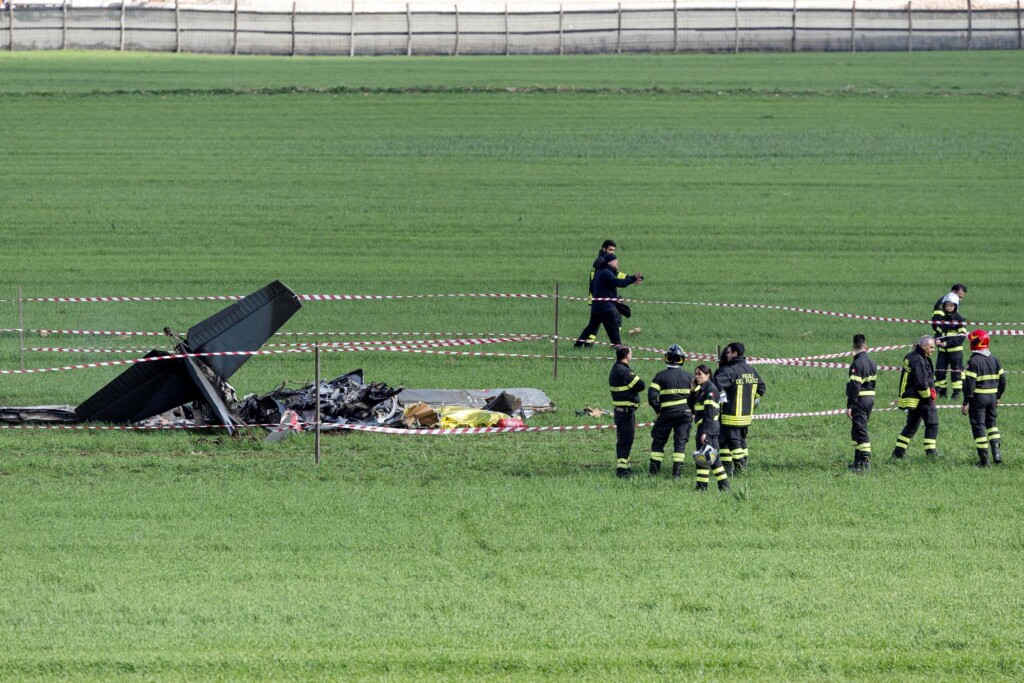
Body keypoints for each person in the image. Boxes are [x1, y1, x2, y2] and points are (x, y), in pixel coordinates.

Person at [713, 342, 765, 475]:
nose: (726, 355)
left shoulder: (730, 371)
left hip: (731, 415)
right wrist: (750, 399)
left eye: (728, 353)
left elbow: (716, 383)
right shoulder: (751, 370)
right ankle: (733, 467)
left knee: (733, 443)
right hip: (746, 415)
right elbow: (761, 388)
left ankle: (739, 470)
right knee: (736, 442)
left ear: (735, 353)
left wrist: (722, 393)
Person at [574, 253, 643, 349]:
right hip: (605, 307)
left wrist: (632, 279)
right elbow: (619, 283)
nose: (617, 263)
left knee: (591, 327)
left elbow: (615, 278)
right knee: (613, 327)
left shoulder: (601, 271)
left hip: (596, 306)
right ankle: (619, 348)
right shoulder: (606, 273)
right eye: (615, 261)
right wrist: (633, 278)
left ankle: (577, 345)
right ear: (609, 262)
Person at [647, 344, 693, 479]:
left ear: (666, 358)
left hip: (666, 415)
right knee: (680, 444)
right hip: (685, 415)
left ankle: (654, 473)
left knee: (658, 442)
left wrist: (658, 410)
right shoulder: (689, 377)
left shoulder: (660, 376)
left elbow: (651, 397)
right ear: (682, 359)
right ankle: (676, 474)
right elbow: (696, 396)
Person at [961, 329, 1007, 467]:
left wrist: (966, 402)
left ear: (976, 343)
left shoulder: (973, 361)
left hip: (978, 398)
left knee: (979, 426)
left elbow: (969, 384)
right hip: (992, 397)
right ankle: (997, 454)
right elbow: (1003, 380)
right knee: (992, 424)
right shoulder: (994, 359)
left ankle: (983, 460)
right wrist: (998, 396)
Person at [892, 335, 940, 459]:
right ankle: (931, 452)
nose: (933, 350)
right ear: (924, 347)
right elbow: (921, 383)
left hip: (912, 398)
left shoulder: (912, 356)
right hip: (920, 398)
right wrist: (929, 397)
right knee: (932, 423)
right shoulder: (919, 360)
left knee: (911, 426)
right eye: (931, 347)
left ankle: (898, 452)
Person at [688, 364, 729, 492]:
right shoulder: (701, 389)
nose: (697, 376)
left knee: (712, 458)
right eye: (696, 374)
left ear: (708, 375)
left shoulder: (710, 390)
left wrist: (704, 432)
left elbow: (709, 412)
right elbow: (691, 404)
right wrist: (693, 390)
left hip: (708, 427)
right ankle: (701, 486)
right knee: (703, 457)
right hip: (704, 426)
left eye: (700, 374)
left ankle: (724, 486)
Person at [609, 345, 645, 478]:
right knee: (625, 440)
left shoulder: (617, 368)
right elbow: (641, 385)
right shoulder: (623, 371)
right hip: (625, 412)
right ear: (627, 356)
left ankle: (625, 466)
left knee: (625, 439)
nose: (631, 356)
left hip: (623, 411)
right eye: (631, 353)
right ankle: (622, 470)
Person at [846, 334, 878, 472]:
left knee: (860, 430)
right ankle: (857, 461)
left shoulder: (856, 363)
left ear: (853, 347)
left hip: (860, 400)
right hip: (870, 398)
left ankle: (865, 463)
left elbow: (855, 386)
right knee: (856, 430)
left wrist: (850, 405)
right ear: (866, 346)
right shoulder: (872, 362)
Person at [931, 292, 967, 399]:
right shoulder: (943, 319)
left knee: (955, 372)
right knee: (939, 371)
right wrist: (937, 340)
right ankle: (942, 391)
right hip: (942, 351)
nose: (949, 307)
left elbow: (962, 336)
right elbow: (937, 332)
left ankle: (956, 392)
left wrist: (948, 343)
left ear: (956, 306)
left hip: (955, 351)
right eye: (947, 305)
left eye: (951, 305)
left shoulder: (960, 319)